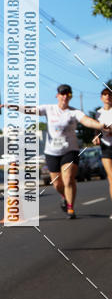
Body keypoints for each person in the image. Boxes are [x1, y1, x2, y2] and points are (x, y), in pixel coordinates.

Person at [39, 84, 108, 219]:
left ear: (70, 96)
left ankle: (70, 208)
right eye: (63, 94)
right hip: (52, 151)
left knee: (68, 178)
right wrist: (12, 106)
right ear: (57, 95)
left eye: (68, 94)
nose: (65, 96)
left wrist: (100, 125)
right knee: (57, 183)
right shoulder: (49, 108)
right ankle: (64, 196)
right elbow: (31, 110)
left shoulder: (74, 112)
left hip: (70, 150)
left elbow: (87, 121)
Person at [92, 85, 112, 217]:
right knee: (111, 178)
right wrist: (96, 138)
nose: (108, 96)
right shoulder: (98, 113)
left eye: (109, 94)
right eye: (105, 94)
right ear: (101, 98)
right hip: (105, 147)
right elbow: (96, 131)